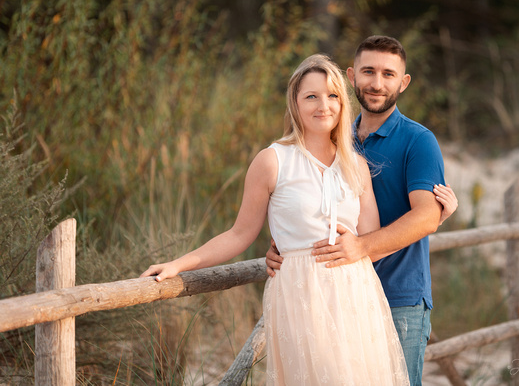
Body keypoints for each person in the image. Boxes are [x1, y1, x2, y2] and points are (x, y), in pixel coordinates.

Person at [141, 54, 410, 385]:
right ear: (295, 103)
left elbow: (373, 242)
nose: (323, 105)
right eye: (311, 96)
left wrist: (435, 215)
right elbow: (239, 235)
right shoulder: (273, 161)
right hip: (300, 295)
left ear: (342, 102)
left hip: (356, 293)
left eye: (332, 95)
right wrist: (179, 265)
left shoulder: (356, 167)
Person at [266, 36, 458, 386]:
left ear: (404, 82)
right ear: (352, 77)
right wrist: (285, 245)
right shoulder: (335, 137)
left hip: (398, 295)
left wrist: (361, 247)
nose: (377, 83)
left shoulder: (418, 140)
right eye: (368, 71)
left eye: (388, 74)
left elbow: (426, 215)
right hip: (331, 296)